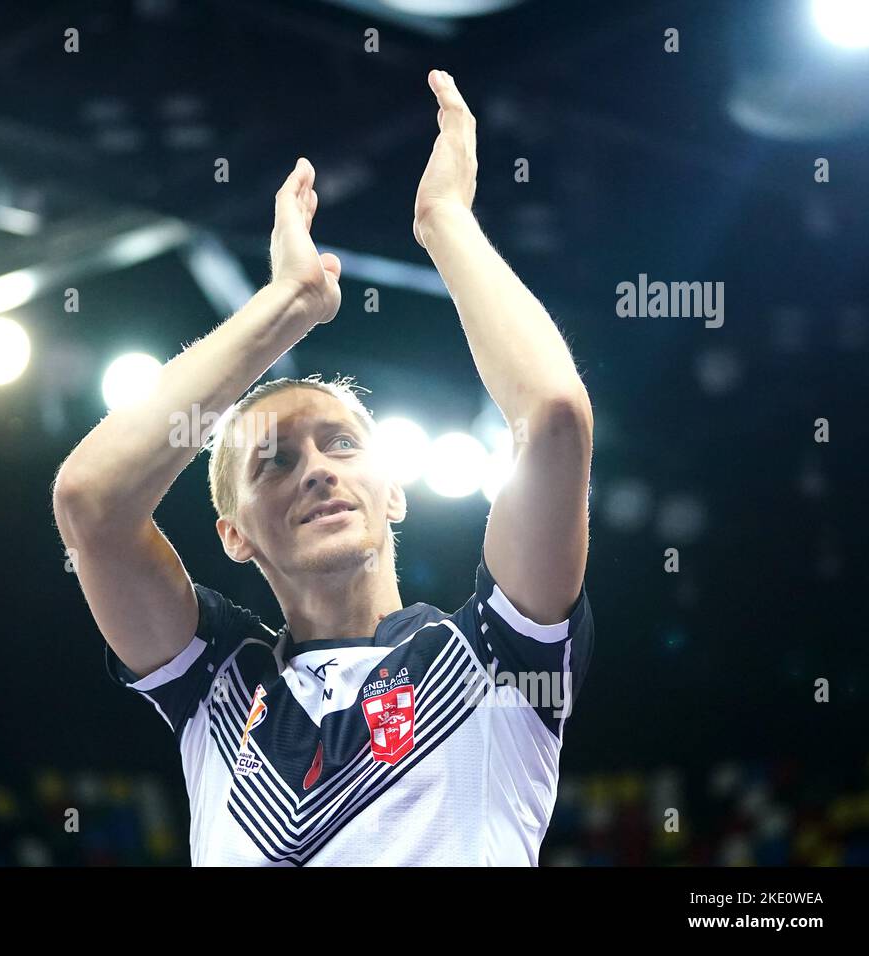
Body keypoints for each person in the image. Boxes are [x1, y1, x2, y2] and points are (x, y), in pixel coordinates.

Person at [52, 70, 594, 865]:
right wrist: (287, 306)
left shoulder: (496, 658)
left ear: (395, 493)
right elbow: (90, 503)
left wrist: (446, 222)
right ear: (234, 535)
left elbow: (552, 419)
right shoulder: (215, 686)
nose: (314, 470)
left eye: (342, 444)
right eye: (271, 463)